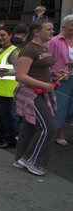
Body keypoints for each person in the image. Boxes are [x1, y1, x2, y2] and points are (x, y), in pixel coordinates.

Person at [14, 19, 67, 175]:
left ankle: (20, 159)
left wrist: (53, 73)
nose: (53, 32)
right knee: (49, 128)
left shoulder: (42, 47)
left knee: (30, 126)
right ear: (37, 32)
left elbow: (37, 69)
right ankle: (31, 160)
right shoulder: (29, 49)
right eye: (49, 29)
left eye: (52, 29)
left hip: (41, 92)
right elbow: (20, 76)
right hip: (32, 94)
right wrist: (45, 85)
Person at [0, 27, 20, 148]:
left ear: (10, 35)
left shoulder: (13, 51)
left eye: (3, 35)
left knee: (8, 117)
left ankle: (10, 139)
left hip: (8, 90)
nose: (0, 38)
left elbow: (19, 70)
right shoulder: (1, 50)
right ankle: (0, 135)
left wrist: (4, 73)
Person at [46, 14, 73, 146]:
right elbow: (47, 61)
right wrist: (52, 75)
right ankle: (59, 132)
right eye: (72, 24)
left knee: (71, 108)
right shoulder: (54, 41)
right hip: (61, 78)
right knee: (61, 106)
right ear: (64, 26)